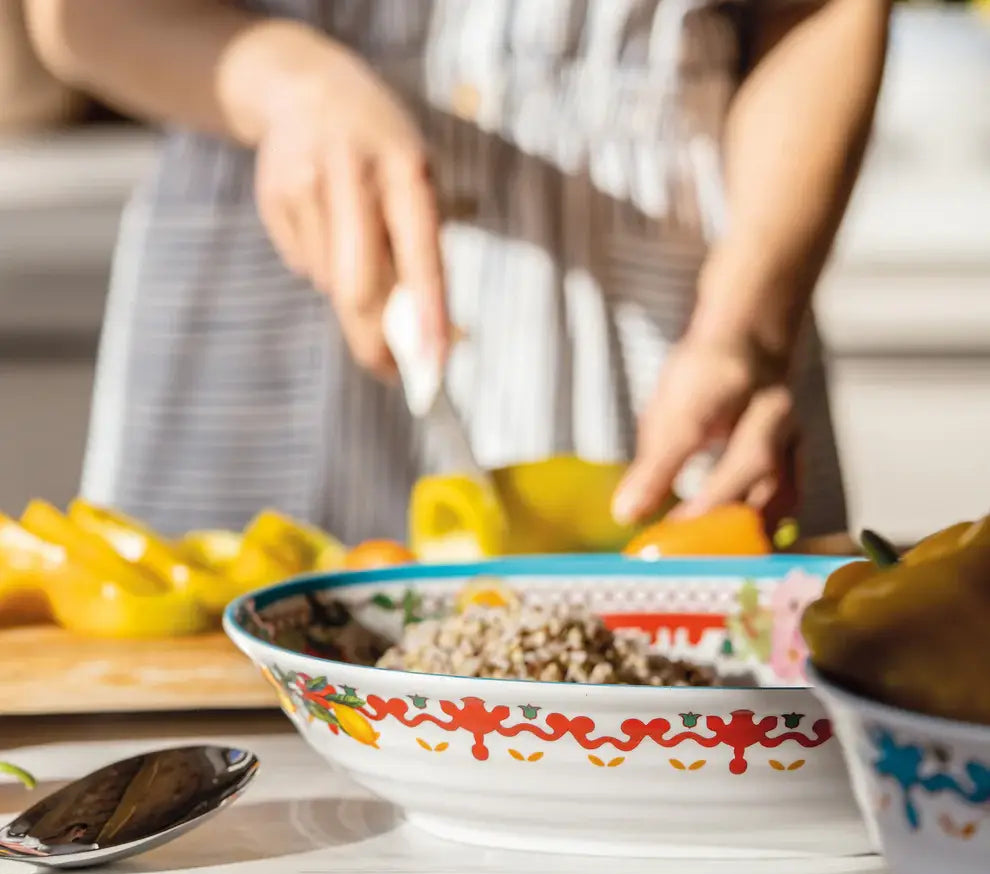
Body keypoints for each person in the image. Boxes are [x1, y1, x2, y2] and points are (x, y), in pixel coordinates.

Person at [27, 0, 889, 544]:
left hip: (686, 310)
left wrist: (746, 322)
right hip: (256, 284)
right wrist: (283, 82)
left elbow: (823, 11)